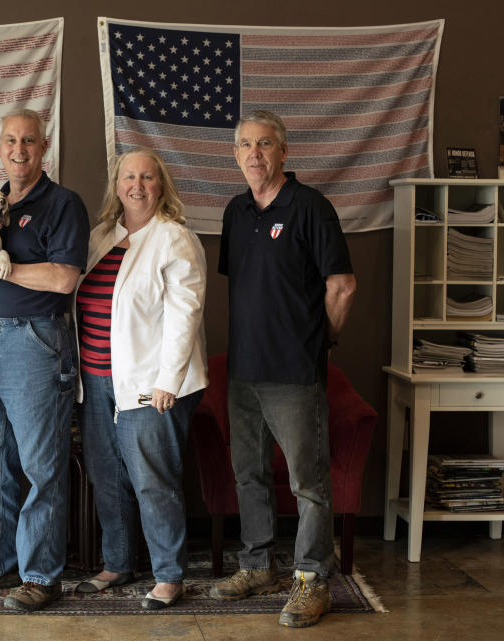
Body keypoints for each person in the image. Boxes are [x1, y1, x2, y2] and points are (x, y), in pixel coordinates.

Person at [210, 110, 356, 628]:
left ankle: (313, 581)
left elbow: (341, 286)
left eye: (265, 144)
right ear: (235, 155)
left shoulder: (311, 207)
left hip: (294, 371)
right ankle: (258, 567)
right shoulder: (235, 212)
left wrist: (324, 342)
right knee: (248, 474)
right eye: (246, 145)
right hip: (243, 369)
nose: (254, 154)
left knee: (307, 482)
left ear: (284, 151)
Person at [0, 109, 89, 612]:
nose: (19, 149)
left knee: (40, 465)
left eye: (29, 141)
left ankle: (42, 575)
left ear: (43, 147)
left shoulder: (63, 204)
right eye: (10, 141)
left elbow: (65, 279)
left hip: (36, 342)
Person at [73, 149, 208, 610]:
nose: (137, 184)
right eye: (128, 176)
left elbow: (184, 315)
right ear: (117, 185)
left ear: (161, 184)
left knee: (153, 480)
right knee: (106, 476)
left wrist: (168, 380)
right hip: (96, 381)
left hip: (152, 385)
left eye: (147, 177)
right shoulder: (100, 237)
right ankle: (117, 562)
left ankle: (169, 575)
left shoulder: (174, 239)